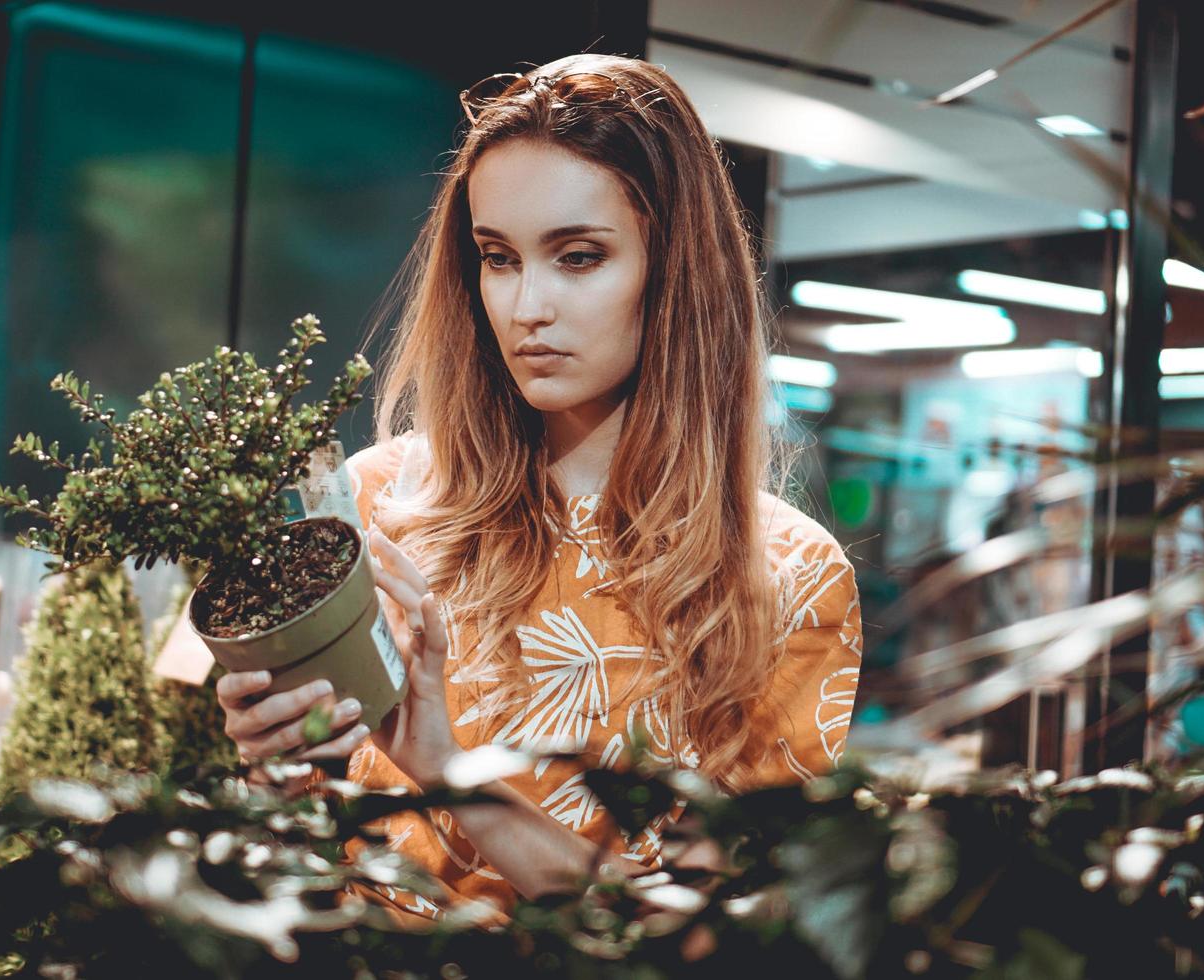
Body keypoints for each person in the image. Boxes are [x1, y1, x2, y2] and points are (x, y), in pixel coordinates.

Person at [216, 52, 862, 927]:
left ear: (674, 270)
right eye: (497, 257)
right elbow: (306, 837)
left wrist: (449, 770)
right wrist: (273, 752)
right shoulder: (380, 506)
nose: (527, 307)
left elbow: (701, 946)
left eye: (579, 257)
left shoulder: (786, 576)